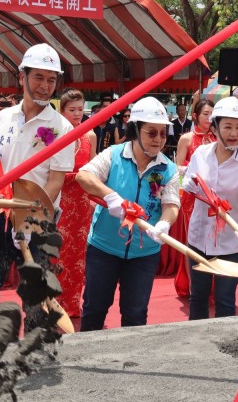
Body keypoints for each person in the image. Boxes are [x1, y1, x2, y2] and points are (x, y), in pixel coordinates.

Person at [0, 43, 75, 333]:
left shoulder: (62, 128)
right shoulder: (3, 117)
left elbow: (55, 181)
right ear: (22, 77)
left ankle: (34, 352)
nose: (45, 86)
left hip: (38, 222)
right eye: (38, 77)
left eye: (51, 79)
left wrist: (31, 221)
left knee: (36, 297)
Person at [76, 96, 180, 331]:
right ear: (135, 130)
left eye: (163, 133)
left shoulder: (168, 169)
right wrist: (110, 196)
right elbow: (84, 176)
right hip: (104, 248)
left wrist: (164, 223)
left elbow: (172, 204)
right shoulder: (113, 155)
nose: (159, 140)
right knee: (94, 309)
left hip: (144, 254)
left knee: (135, 315)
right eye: (151, 133)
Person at [181, 97, 238, 320]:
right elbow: (190, 184)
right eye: (227, 126)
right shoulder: (200, 155)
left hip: (231, 242)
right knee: (198, 297)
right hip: (199, 238)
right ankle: (195, 344)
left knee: (225, 300)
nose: (234, 133)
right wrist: (188, 185)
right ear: (214, 128)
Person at [56, 88, 97, 317]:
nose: (77, 114)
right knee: (56, 250)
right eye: (72, 110)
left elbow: (92, 170)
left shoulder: (90, 135)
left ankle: (72, 304)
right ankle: (51, 302)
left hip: (81, 201)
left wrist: (93, 200)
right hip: (59, 198)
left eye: (81, 109)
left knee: (77, 255)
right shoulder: (53, 134)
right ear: (61, 111)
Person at [172, 98, 216, 297]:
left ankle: (211, 286)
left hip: (213, 197)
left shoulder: (218, 137)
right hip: (192, 196)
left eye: (212, 114)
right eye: (206, 114)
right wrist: (193, 170)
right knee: (194, 243)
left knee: (212, 240)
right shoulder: (187, 139)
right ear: (196, 116)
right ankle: (193, 287)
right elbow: (177, 168)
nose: (210, 118)